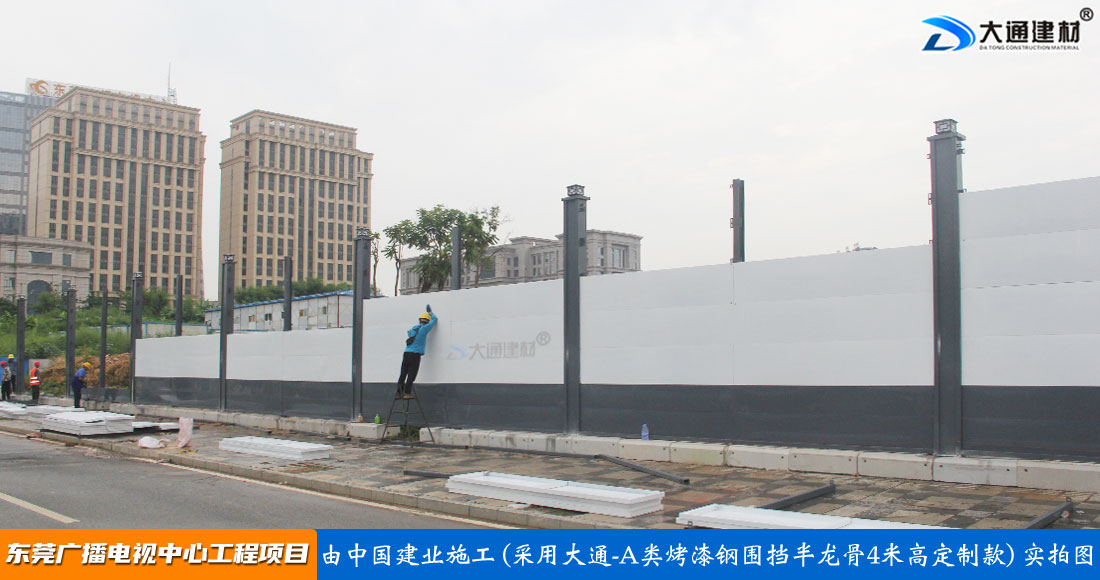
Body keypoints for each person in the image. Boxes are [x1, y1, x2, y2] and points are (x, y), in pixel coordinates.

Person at [397, 304, 437, 399]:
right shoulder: (424, 329)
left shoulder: (413, 330)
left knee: (403, 373)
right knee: (412, 373)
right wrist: (430, 313)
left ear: (419, 320)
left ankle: (398, 393)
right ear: (427, 321)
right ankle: (407, 393)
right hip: (415, 355)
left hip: (406, 353)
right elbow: (435, 320)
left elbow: (409, 333)